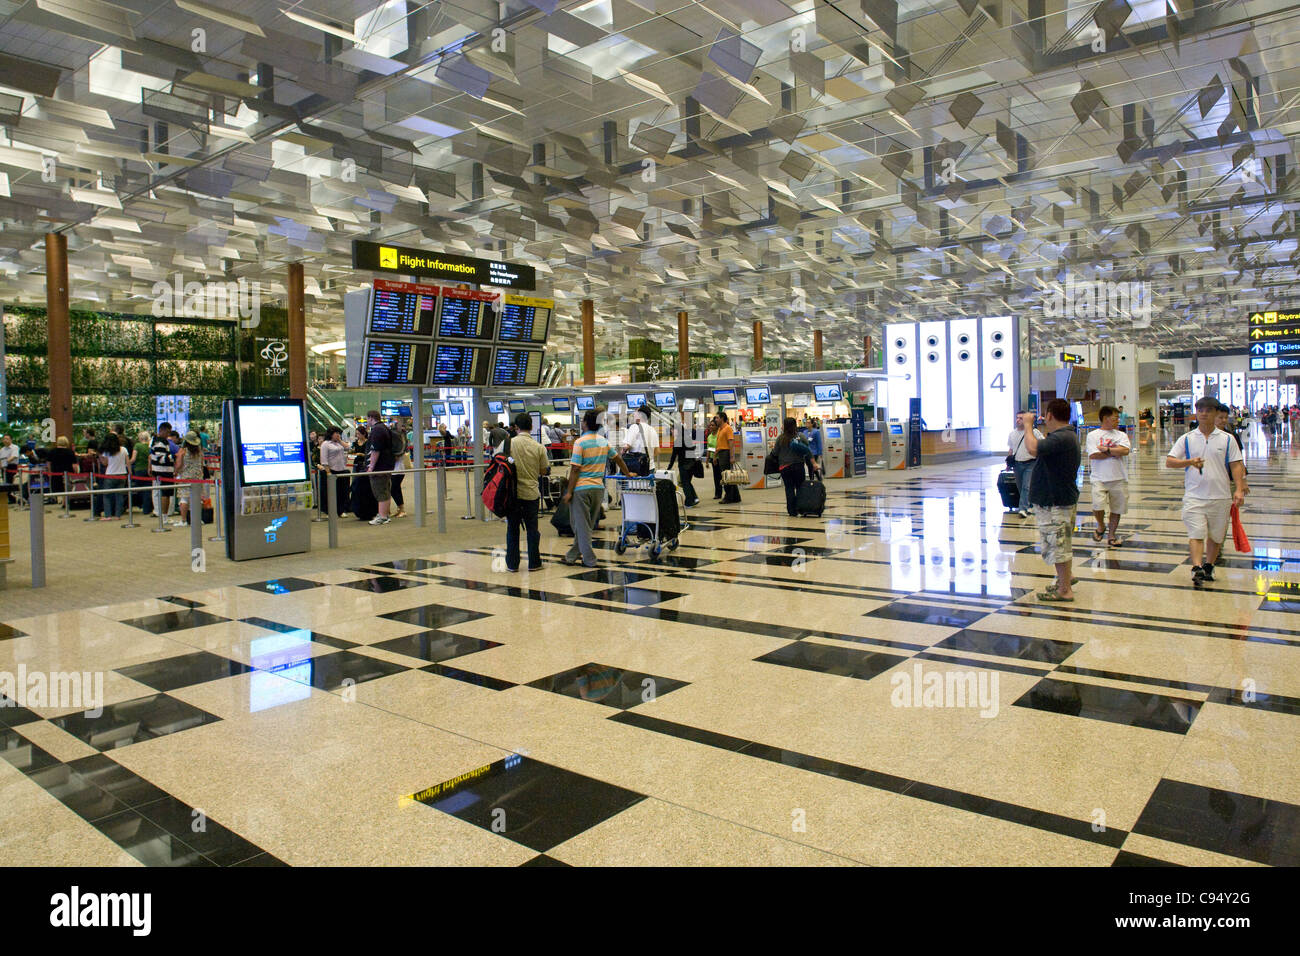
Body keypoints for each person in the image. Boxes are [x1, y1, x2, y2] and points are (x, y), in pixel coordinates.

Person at [1166, 396, 1247, 587]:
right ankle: (1196, 566)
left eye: (1208, 410)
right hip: (1194, 495)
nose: (1203, 413)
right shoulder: (1187, 439)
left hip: (1221, 495)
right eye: (1200, 410)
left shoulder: (1227, 439)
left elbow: (1236, 465)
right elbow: (1170, 461)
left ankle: (1209, 565)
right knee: (1196, 532)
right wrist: (1189, 461)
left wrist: (1240, 489)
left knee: (1216, 535)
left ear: (1216, 413)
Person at [1021, 399, 1080, 602]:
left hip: (1055, 502)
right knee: (1059, 543)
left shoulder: (1062, 436)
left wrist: (1028, 425)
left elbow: (1032, 448)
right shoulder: (1064, 436)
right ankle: (1066, 578)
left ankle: (1064, 590)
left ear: (1049, 415)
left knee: (1058, 546)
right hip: (1056, 499)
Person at [562, 409, 632, 568]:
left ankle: (589, 559)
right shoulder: (603, 441)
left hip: (581, 489)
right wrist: (627, 474)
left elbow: (575, 469)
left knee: (582, 527)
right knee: (585, 525)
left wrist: (569, 492)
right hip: (598, 489)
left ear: (586, 423)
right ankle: (571, 556)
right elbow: (618, 459)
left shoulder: (580, 442)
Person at [500, 412, 550, 572]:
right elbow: (544, 470)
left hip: (512, 494)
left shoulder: (507, 444)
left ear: (516, 427)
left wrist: (514, 463)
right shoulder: (539, 447)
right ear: (532, 426)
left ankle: (512, 563)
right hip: (531, 493)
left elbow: (500, 462)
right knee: (532, 529)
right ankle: (534, 562)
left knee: (512, 529)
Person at [1085, 405, 1131, 547]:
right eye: (1115, 418)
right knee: (1098, 506)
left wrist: (1106, 449)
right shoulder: (1093, 435)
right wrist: (1113, 451)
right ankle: (1100, 526)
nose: (1118, 420)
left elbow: (1125, 451)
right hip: (1099, 477)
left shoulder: (1121, 435)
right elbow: (1094, 455)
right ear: (1105, 418)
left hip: (1118, 477)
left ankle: (1111, 535)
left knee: (1117, 509)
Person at [774, 417, 816, 516]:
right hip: (798, 466)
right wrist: (813, 463)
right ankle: (801, 508)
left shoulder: (780, 438)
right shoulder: (800, 436)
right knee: (800, 488)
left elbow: (775, 452)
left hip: (785, 468)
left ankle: (791, 511)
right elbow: (807, 450)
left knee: (789, 489)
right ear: (795, 425)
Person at [1006, 411, 1043, 518]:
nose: (1018, 420)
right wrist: (1008, 463)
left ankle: (1022, 508)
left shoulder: (1034, 432)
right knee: (1021, 486)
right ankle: (1030, 505)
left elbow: (1042, 444)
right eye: (1017, 418)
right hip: (1017, 463)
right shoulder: (1012, 434)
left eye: (1021, 418)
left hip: (1030, 463)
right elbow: (1011, 449)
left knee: (1026, 487)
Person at [365, 411, 394, 525]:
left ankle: (382, 516)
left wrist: (371, 467)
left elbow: (375, 449)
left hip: (379, 467)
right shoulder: (385, 428)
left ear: (371, 418)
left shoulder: (377, 430)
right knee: (385, 489)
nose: (367, 421)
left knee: (380, 490)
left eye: (367, 419)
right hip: (386, 465)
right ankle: (384, 514)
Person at [667, 411, 701, 507]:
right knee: (687, 482)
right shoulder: (687, 438)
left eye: (672, 430)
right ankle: (694, 497)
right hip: (691, 464)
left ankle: (690, 501)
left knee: (685, 483)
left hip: (684, 465)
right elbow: (693, 449)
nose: (671, 432)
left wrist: (669, 468)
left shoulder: (678, 440)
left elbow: (674, 456)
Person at [173, 430, 204, 526]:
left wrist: (175, 472)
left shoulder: (183, 451)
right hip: (197, 477)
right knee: (197, 498)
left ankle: (183, 520)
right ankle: (198, 519)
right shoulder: (199, 451)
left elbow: (179, 464)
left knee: (184, 499)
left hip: (185, 477)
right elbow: (201, 464)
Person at [318, 426, 351, 515]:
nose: (338, 435)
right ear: (331, 434)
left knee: (342, 491)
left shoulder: (339, 443)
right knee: (331, 492)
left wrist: (340, 440)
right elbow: (324, 459)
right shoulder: (326, 444)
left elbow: (347, 448)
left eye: (338, 433)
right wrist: (328, 472)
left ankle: (341, 510)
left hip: (341, 469)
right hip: (331, 470)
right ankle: (330, 510)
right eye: (336, 433)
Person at [98, 431, 128, 520]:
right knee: (119, 496)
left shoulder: (107, 450)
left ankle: (108, 515)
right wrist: (129, 472)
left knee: (106, 496)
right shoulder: (123, 449)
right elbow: (127, 462)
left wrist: (100, 457)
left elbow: (105, 463)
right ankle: (118, 515)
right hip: (122, 474)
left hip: (110, 474)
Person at [150, 422, 176, 520]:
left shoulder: (162, 441)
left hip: (165, 471)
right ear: (161, 430)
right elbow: (161, 459)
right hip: (162, 471)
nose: (168, 434)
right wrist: (174, 457)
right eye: (167, 432)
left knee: (167, 494)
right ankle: (164, 516)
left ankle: (165, 515)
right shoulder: (159, 443)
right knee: (165, 494)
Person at [622, 406, 657, 476]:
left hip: (636, 468)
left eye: (636, 412)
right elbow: (657, 451)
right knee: (647, 486)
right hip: (650, 467)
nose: (634, 414)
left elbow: (626, 447)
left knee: (633, 487)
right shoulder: (653, 430)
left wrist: (620, 454)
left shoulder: (634, 427)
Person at [715, 411, 741, 504]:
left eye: (717, 418)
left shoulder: (727, 428)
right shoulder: (720, 429)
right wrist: (715, 456)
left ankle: (728, 497)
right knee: (729, 476)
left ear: (722, 418)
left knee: (726, 476)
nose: (715, 419)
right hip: (721, 453)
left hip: (726, 453)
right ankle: (736, 497)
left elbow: (731, 443)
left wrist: (732, 457)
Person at [390, 420, 410, 519]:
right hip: (395, 468)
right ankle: (399, 509)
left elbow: (399, 454)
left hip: (398, 469)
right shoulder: (400, 438)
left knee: (394, 489)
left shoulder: (401, 440)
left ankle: (402, 509)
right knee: (395, 489)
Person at [0, 434, 19, 503]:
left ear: (11, 440)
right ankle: (9, 498)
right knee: (5, 482)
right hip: (4, 468)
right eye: (4, 439)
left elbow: (13, 456)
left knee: (9, 482)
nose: (5, 440)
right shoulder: (2, 449)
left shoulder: (14, 447)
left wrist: (5, 462)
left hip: (11, 467)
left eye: (7, 439)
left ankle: (11, 497)